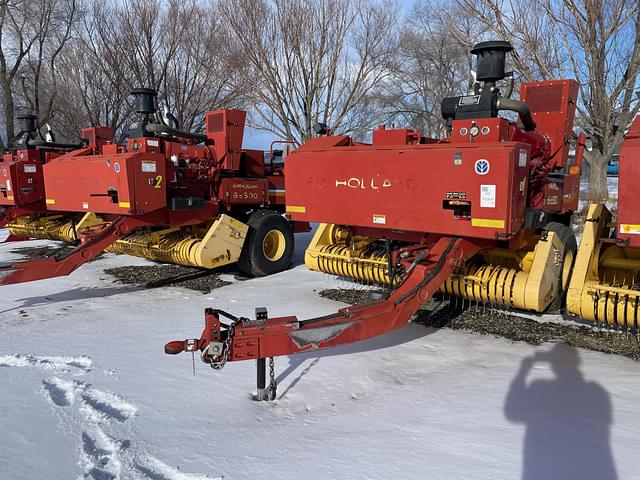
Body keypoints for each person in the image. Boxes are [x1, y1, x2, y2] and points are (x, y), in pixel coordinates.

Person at [504, 343, 617, 480]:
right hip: (590, 469)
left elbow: (512, 413)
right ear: (578, 362)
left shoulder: (540, 388)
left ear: (553, 365)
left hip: (542, 467)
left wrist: (523, 372)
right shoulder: (597, 392)